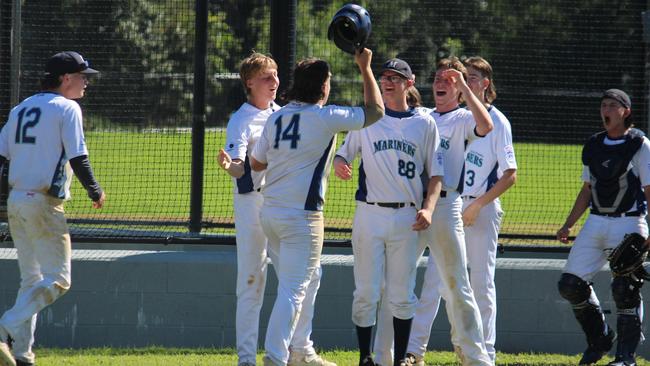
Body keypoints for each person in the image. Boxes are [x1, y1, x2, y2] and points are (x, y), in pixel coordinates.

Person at [250, 48, 384, 366]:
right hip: (302, 218)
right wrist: (365, 68)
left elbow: (256, 163)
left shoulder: (276, 116)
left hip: (271, 213)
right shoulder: (326, 117)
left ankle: (301, 351)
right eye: (329, 81)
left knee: (310, 278)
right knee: (294, 289)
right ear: (322, 86)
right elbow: (375, 111)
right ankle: (275, 356)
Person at [388, 56, 517, 365]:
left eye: (456, 80)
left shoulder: (474, 118)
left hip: (459, 205)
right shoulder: (425, 117)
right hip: (421, 206)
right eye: (440, 79)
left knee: (469, 284)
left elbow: (497, 148)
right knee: (416, 283)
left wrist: (477, 205)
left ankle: (481, 353)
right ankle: (410, 352)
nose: (445, 84)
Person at [333, 58, 444, 366]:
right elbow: (344, 152)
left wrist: (429, 209)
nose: (388, 81)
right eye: (384, 76)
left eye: (396, 77)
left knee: (402, 294)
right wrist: (340, 162)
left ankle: (398, 361)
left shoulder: (424, 123)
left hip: (407, 217)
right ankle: (365, 357)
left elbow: (436, 174)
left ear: (410, 83)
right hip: (369, 214)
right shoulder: (369, 118)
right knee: (366, 292)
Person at [0, 51, 106, 366]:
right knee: (59, 279)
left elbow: (1, 156)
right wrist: (94, 189)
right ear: (65, 78)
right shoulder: (67, 107)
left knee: (31, 281)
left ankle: (22, 355)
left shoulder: (22, 107)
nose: (86, 82)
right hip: (44, 203)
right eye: (82, 75)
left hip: (17, 200)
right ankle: (4, 326)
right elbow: (78, 156)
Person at [556, 89, 650, 366]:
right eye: (603, 105)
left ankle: (626, 357)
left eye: (613, 105)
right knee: (570, 285)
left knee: (625, 288)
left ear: (626, 111)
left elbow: (648, 189)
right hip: (596, 221)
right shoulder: (594, 144)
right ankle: (600, 339)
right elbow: (587, 189)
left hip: (630, 221)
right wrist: (568, 224)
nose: (606, 110)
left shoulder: (639, 144)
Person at [217, 52, 281, 366]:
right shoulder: (241, 119)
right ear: (250, 82)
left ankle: (291, 352)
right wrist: (230, 167)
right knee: (252, 280)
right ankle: (246, 358)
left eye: (276, 75)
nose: (274, 82)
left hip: (284, 204)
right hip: (252, 204)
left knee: (297, 278)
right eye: (267, 77)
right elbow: (239, 166)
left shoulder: (282, 114)